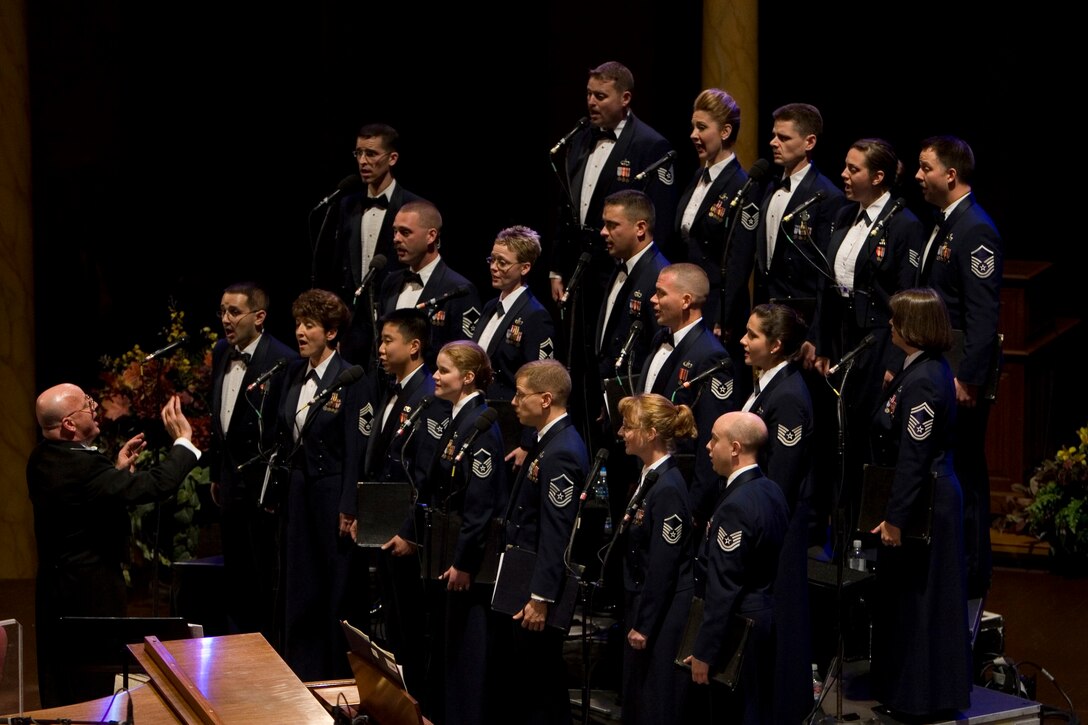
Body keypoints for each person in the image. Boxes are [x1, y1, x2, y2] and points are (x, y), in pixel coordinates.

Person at [27, 386, 200, 707]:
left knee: (62, 682)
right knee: (92, 688)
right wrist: (184, 442)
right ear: (68, 424)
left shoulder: (41, 458)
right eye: (87, 404)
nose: (95, 406)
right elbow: (155, 485)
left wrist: (116, 472)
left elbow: (81, 501)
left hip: (55, 592)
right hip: (89, 595)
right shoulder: (83, 468)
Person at [392, 341, 507, 725]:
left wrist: (463, 562)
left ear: (468, 378)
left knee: (466, 655)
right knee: (447, 650)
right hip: (443, 551)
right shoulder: (459, 419)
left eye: (443, 371)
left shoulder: (483, 428)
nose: (435, 377)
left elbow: (480, 505)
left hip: (466, 566)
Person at [869, 288, 971, 717]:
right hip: (922, 498)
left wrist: (895, 519)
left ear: (913, 328)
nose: (890, 325)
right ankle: (905, 691)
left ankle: (924, 698)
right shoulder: (916, 370)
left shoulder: (927, 379)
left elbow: (914, 455)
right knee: (909, 602)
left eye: (896, 320)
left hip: (928, 502)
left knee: (925, 602)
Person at [811, 139, 922, 530]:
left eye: (853, 169)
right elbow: (827, 284)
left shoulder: (905, 224)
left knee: (868, 440)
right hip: (843, 340)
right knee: (838, 439)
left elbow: (906, 301)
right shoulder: (844, 216)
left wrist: (896, 362)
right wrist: (821, 343)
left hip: (879, 342)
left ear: (878, 177)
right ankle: (838, 530)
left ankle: (868, 533)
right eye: (845, 165)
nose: (843, 174)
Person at [913, 135, 1002, 599]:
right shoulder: (946, 223)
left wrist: (968, 375)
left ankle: (970, 572)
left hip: (960, 373)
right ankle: (953, 565)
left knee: (965, 469)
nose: (918, 176)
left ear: (951, 175)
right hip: (942, 367)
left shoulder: (974, 229)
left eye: (925, 168)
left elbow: (983, 314)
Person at [493, 359, 590, 725]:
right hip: (524, 575)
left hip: (537, 584)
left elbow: (556, 532)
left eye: (521, 395)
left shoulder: (562, 450)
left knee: (542, 688)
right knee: (530, 684)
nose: (513, 402)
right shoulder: (546, 440)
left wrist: (541, 597)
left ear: (546, 399)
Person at [276, 288, 365, 681]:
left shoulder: (350, 378)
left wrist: (350, 504)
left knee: (335, 588)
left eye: (309, 325)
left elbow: (355, 449)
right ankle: (302, 671)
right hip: (299, 492)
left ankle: (336, 673)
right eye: (298, 323)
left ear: (330, 333)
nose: (300, 332)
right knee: (301, 583)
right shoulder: (294, 374)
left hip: (333, 494)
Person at [738, 303, 816, 725]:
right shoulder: (768, 384)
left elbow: (781, 479)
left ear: (777, 344)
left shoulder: (788, 397)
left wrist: (754, 523)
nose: (743, 342)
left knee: (783, 616)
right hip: (761, 519)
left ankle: (783, 710)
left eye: (752, 336)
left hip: (778, 525)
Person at [685, 411, 788, 724]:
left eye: (715, 438)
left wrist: (704, 650)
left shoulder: (735, 506)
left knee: (736, 714)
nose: (707, 446)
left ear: (735, 448)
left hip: (738, 628)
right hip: (764, 616)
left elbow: (723, 586)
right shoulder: (771, 490)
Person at [549, 61, 677, 306]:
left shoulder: (650, 145)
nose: (591, 102)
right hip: (578, 268)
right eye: (588, 94)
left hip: (618, 269)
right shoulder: (580, 138)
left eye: (600, 96)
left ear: (625, 98)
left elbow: (660, 219)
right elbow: (565, 206)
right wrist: (556, 268)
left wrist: (646, 278)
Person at [209, 282, 296, 640]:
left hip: (262, 487)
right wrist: (216, 473)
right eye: (223, 312)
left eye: (234, 312)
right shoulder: (220, 352)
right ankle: (236, 648)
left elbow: (282, 426)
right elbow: (220, 423)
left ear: (259, 317)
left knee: (263, 575)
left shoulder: (283, 359)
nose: (226, 320)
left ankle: (266, 650)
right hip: (228, 482)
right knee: (235, 574)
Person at [617, 393, 696, 725]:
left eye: (628, 426)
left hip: (662, 614)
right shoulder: (650, 477)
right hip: (643, 602)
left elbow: (663, 566)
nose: (621, 433)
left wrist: (644, 624)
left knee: (654, 701)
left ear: (650, 433)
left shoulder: (668, 488)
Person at [639, 263, 738, 524]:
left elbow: (712, 435)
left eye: (660, 293)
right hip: (649, 478)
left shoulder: (711, 356)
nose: (652, 299)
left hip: (679, 488)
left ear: (685, 301)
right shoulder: (660, 337)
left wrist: (694, 507)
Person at [674, 88, 760, 382]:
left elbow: (739, 259)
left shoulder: (741, 185)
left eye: (701, 127)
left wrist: (725, 316)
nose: (693, 135)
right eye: (692, 127)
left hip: (718, 308)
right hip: (691, 303)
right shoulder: (698, 178)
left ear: (725, 131)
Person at [334, 123, 423, 365]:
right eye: (358, 153)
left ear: (392, 158)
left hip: (394, 320)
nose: (363, 161)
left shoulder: (412, 207)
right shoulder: (347, 205)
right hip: (354, 326)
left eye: (371, 154)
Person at [753, 103, 847, 316]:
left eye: (783, 138)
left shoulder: (827, 196)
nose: (773, 143)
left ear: (809, 142)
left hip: (802, 313)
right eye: (774, 135)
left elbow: (825, 271)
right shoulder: (770, 186)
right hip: (767, 307)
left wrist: (816, 335)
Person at [472, 225, 556, 464]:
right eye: (492, 259)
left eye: (502, 262)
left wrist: (527, 443)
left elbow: (541, 380)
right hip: (484, 418)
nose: (493, 267)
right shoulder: (489, 307)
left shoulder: (535, 316)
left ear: (525, 267)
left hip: (511, 427)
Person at [378, 199, 482, 366]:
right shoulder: (390, 282)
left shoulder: (459, 289)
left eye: (405, 232)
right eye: (395, 231)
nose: (396, 239)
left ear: (431, 236)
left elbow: (464, 357)